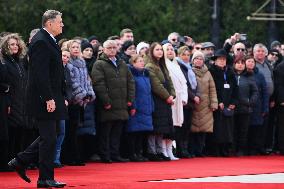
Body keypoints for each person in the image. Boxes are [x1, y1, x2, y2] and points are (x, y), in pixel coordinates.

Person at [7, 10, 67, 188]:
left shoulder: (47, 39)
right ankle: (44, 178)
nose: (62, 24)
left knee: (51, 135)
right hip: (44, 97)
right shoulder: (41, 41)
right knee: (49, 137)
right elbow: (40, 74)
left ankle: (21, 161)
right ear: (49, 23)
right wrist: (48, 98)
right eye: (60, 22)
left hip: (52, 95)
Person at [91, 39, 135, 163]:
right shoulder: (99, 64)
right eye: (109, 48)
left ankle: (115, 154)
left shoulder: (121, 63)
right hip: (108, 105)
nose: (111, 50)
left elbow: (130, 82)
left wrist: (130, 99)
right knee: (106, 132)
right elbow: (99, 84)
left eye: (114, 48)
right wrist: (106, 101)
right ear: (103, 49)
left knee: (117, 132)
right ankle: (105, 155)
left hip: (121, 104)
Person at [145, 42, 176, 161]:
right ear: (152, 52)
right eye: (157, 49)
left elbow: (169, 81)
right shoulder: (150, 66)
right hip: (156, 99)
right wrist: (167, 96)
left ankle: (159, 151)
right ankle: (152, 151)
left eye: (160, 50)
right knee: (155, 126)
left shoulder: (162, 65)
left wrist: (172, 95)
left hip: (165, 100)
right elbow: (156, 84)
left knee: (162, 127)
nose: (160, 52)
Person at [209, 49, 238, 157]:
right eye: (220, 59)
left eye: (224, 59)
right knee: (218, 128)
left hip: (229, 104)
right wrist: (218, 102)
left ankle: (226, 148)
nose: (222, 61)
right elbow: (212, 89)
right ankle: (216, 149)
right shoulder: (211, 71)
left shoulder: (230, 72)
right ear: (215, 61)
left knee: (228, 128)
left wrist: (233, 102)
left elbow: (235, 89)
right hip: (217, 104)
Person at [163, 43, 188, 160]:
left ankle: (170, 150)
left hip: (178, 100)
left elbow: (184, 83)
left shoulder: (177, 65)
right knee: (168, 126)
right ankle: (164, 150)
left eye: (171, 49)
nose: (170, 51)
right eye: (167, 49)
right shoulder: (164, 65)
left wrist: (184, 98)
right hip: (170, 98)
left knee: (176, 125)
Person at [126, 55, 154, 162]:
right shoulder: (132, 75)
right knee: (134, 132)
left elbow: (149, 93)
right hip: (136, 108)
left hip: (146, 108)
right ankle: (132, 154)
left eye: (143, 61)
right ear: (133, 63)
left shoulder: (146, 75)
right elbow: (132, 92)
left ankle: (139, 153)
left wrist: (151, 106)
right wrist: (133, 106)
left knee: (142, 133)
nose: (142, 63)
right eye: (139, 61)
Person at [191, 51, 218, 157]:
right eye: (196, 58)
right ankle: (192, 150)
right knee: (193, 130)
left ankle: (200, 150)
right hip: (194, 103)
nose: (198, 60)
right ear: (193, 60)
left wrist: (214, 103)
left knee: (203, 130)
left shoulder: (208, 72)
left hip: (206, 105)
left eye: (201, 59)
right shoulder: (190, 71)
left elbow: (212, 88)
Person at [176, 46, 199, 158]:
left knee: (187, 126)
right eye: (183, 55)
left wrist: (196, 95)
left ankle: (185, 149)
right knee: (182, 126)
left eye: (188, 55)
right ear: (179, 55)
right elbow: (184, 84)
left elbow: (194, 84)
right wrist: (193, 96)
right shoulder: (179, 66)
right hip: (184, 100)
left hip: (191, 102)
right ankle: (181, 150)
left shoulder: (189, 67)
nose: (186, 57)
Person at [233, 57, 258, 156]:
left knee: (243, 130)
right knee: (233, 129)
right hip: (233, 108)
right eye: (238, 63)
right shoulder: (230, 76)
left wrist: (250, 102)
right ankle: (232, 149)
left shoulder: (249, 76)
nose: (240, 65)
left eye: (242, 63)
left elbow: (255, 92)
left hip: (245, 108)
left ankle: (241, 150)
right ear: (234, 64)